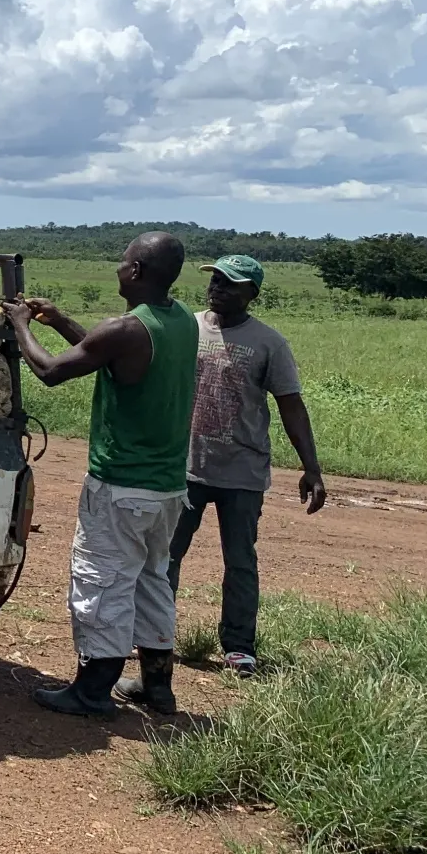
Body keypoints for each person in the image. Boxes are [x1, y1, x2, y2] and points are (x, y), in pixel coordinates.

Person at [4, 232, 198, 717]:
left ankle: (92, 690)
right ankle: (158, 687)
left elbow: (50, 371)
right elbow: (109, 352)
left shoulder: (127, 329)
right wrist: (62, 320)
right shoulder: (179, 322)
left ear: (135, 272)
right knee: (151, 579)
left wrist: (21, 325)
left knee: (103, 580)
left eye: (123, 260)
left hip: (121, 485)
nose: (116, 267)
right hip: (167, 487)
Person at [155, 255, 328, 681]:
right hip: (185, 468)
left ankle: (238, 648)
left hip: (242, 473)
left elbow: (291, 404)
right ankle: (157, 638)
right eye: (215, 279)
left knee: (240, 562)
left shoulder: (269, 343)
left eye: (230, 283)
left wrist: (312, 467)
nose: (217, 288)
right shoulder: (186, 326)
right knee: (165, 556)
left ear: (252, 293)